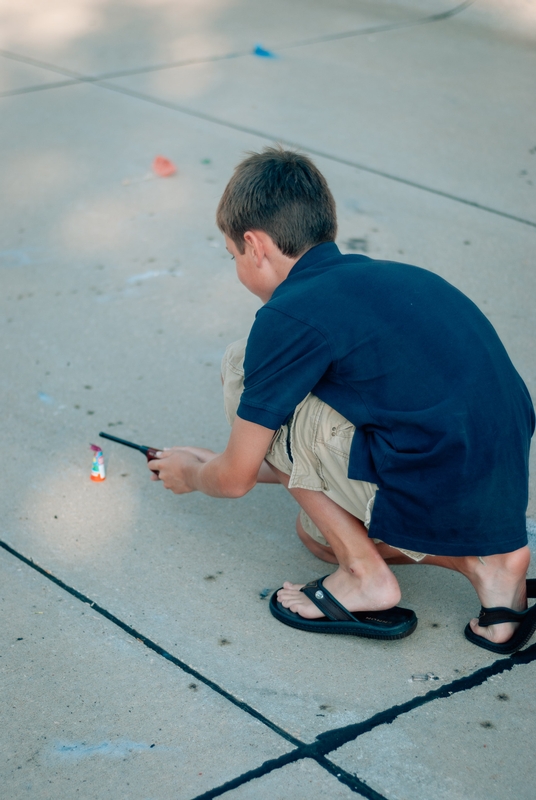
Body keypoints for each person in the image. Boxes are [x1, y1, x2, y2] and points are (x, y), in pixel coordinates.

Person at [149, 147, 535, 654]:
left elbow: (234, 480)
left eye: (232, 256)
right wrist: (222, 456)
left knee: (241, 366)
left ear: (255, 244)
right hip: (496, 491)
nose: (237, 268)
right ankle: (491, 567)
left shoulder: (288, 316)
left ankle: (363, 574)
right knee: (315, 536)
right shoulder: (398, 278)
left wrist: (194, 474)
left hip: (433, 480)